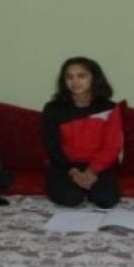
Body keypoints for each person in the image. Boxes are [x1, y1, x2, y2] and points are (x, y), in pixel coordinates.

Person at [41, 56, 122, 208]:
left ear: (94, 78)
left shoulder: (109, 108)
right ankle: (75, 187)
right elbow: (52, 147)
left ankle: (87, 187)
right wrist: (73, 172)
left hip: (97, 165)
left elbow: (112, 146)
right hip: (64, 166)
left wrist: (92, 171)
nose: (75, 81)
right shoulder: (53, 109)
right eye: (69, 77)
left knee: (106, 200)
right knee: (70, 199)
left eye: (81, 76)